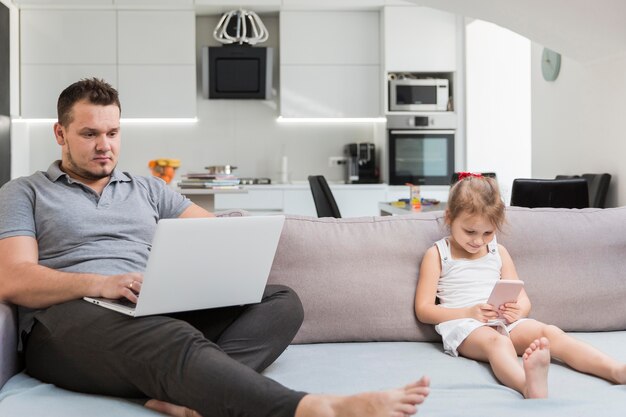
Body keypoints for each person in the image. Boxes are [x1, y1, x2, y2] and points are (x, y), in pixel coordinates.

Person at [0, 78, 430, 417]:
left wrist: (195, 281)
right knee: (167, 334)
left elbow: (216, 236)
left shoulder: (148, 188)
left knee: (281, 300)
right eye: (90, 133)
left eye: (113, 132)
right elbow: (14, 279)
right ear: (60, 132)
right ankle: (315, 408)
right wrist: (103, 282)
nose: (104, 146)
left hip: (147, 305)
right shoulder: (26, 192)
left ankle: (197, 391)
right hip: (69, 320)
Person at [415, 172, 626, 399]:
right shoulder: (438, 254)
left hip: (504, 321)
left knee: (550, 333)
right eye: (470, 232)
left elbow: (523, 298)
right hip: (464, 325)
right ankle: (527, 385)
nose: (478, 241)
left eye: (488, 232)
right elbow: (424, 310)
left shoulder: (498, 251)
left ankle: (615, 370)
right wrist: (469, 313)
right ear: (449, 218)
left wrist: (518, 311)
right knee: (498, 343)